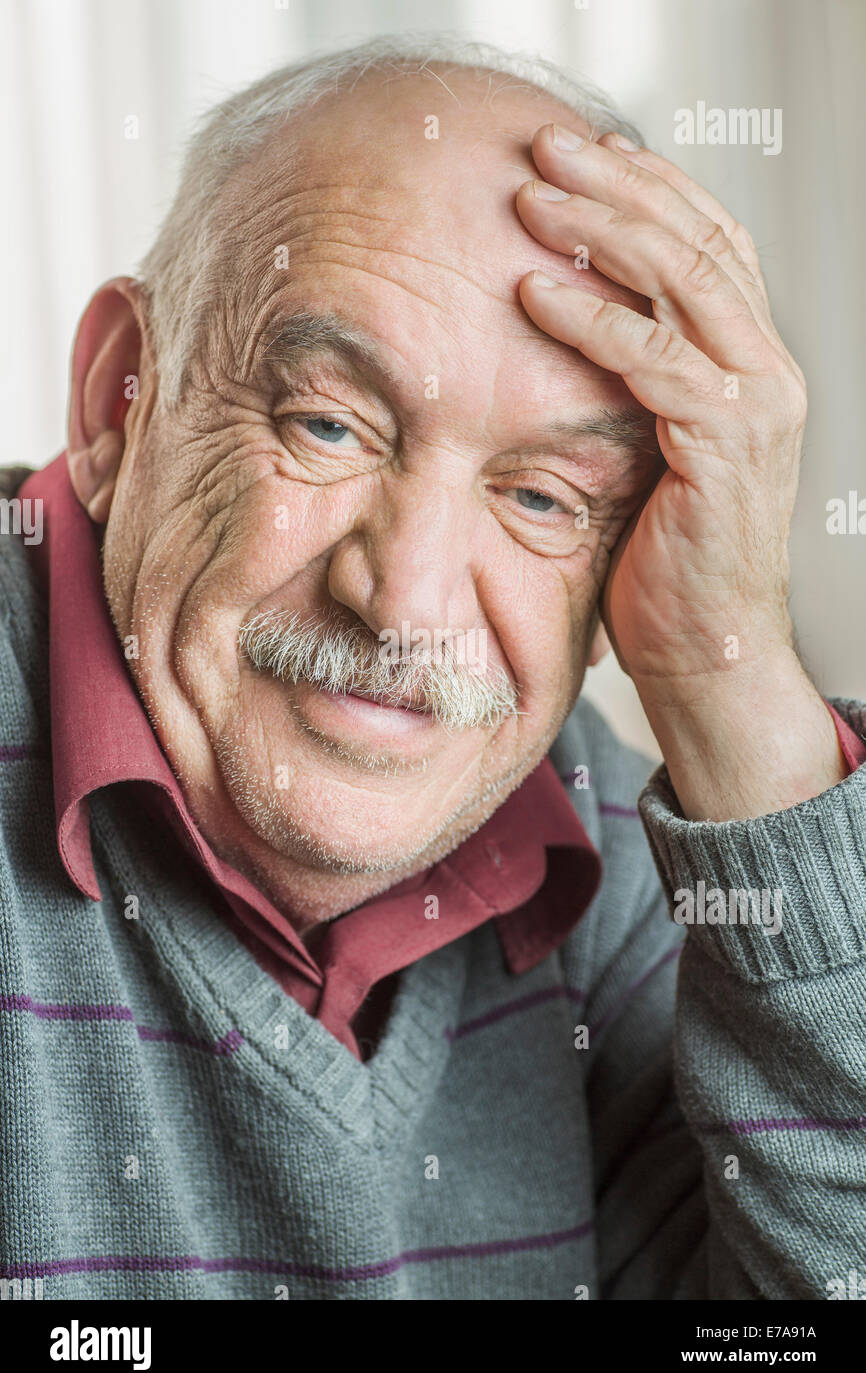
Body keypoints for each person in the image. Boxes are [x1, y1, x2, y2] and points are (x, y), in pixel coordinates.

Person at [1, 34, 864, 1301]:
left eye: (541, 498)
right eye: (328, 423)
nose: (403, 602)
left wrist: (723, 681)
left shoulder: (602, 851)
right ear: (123, 397)